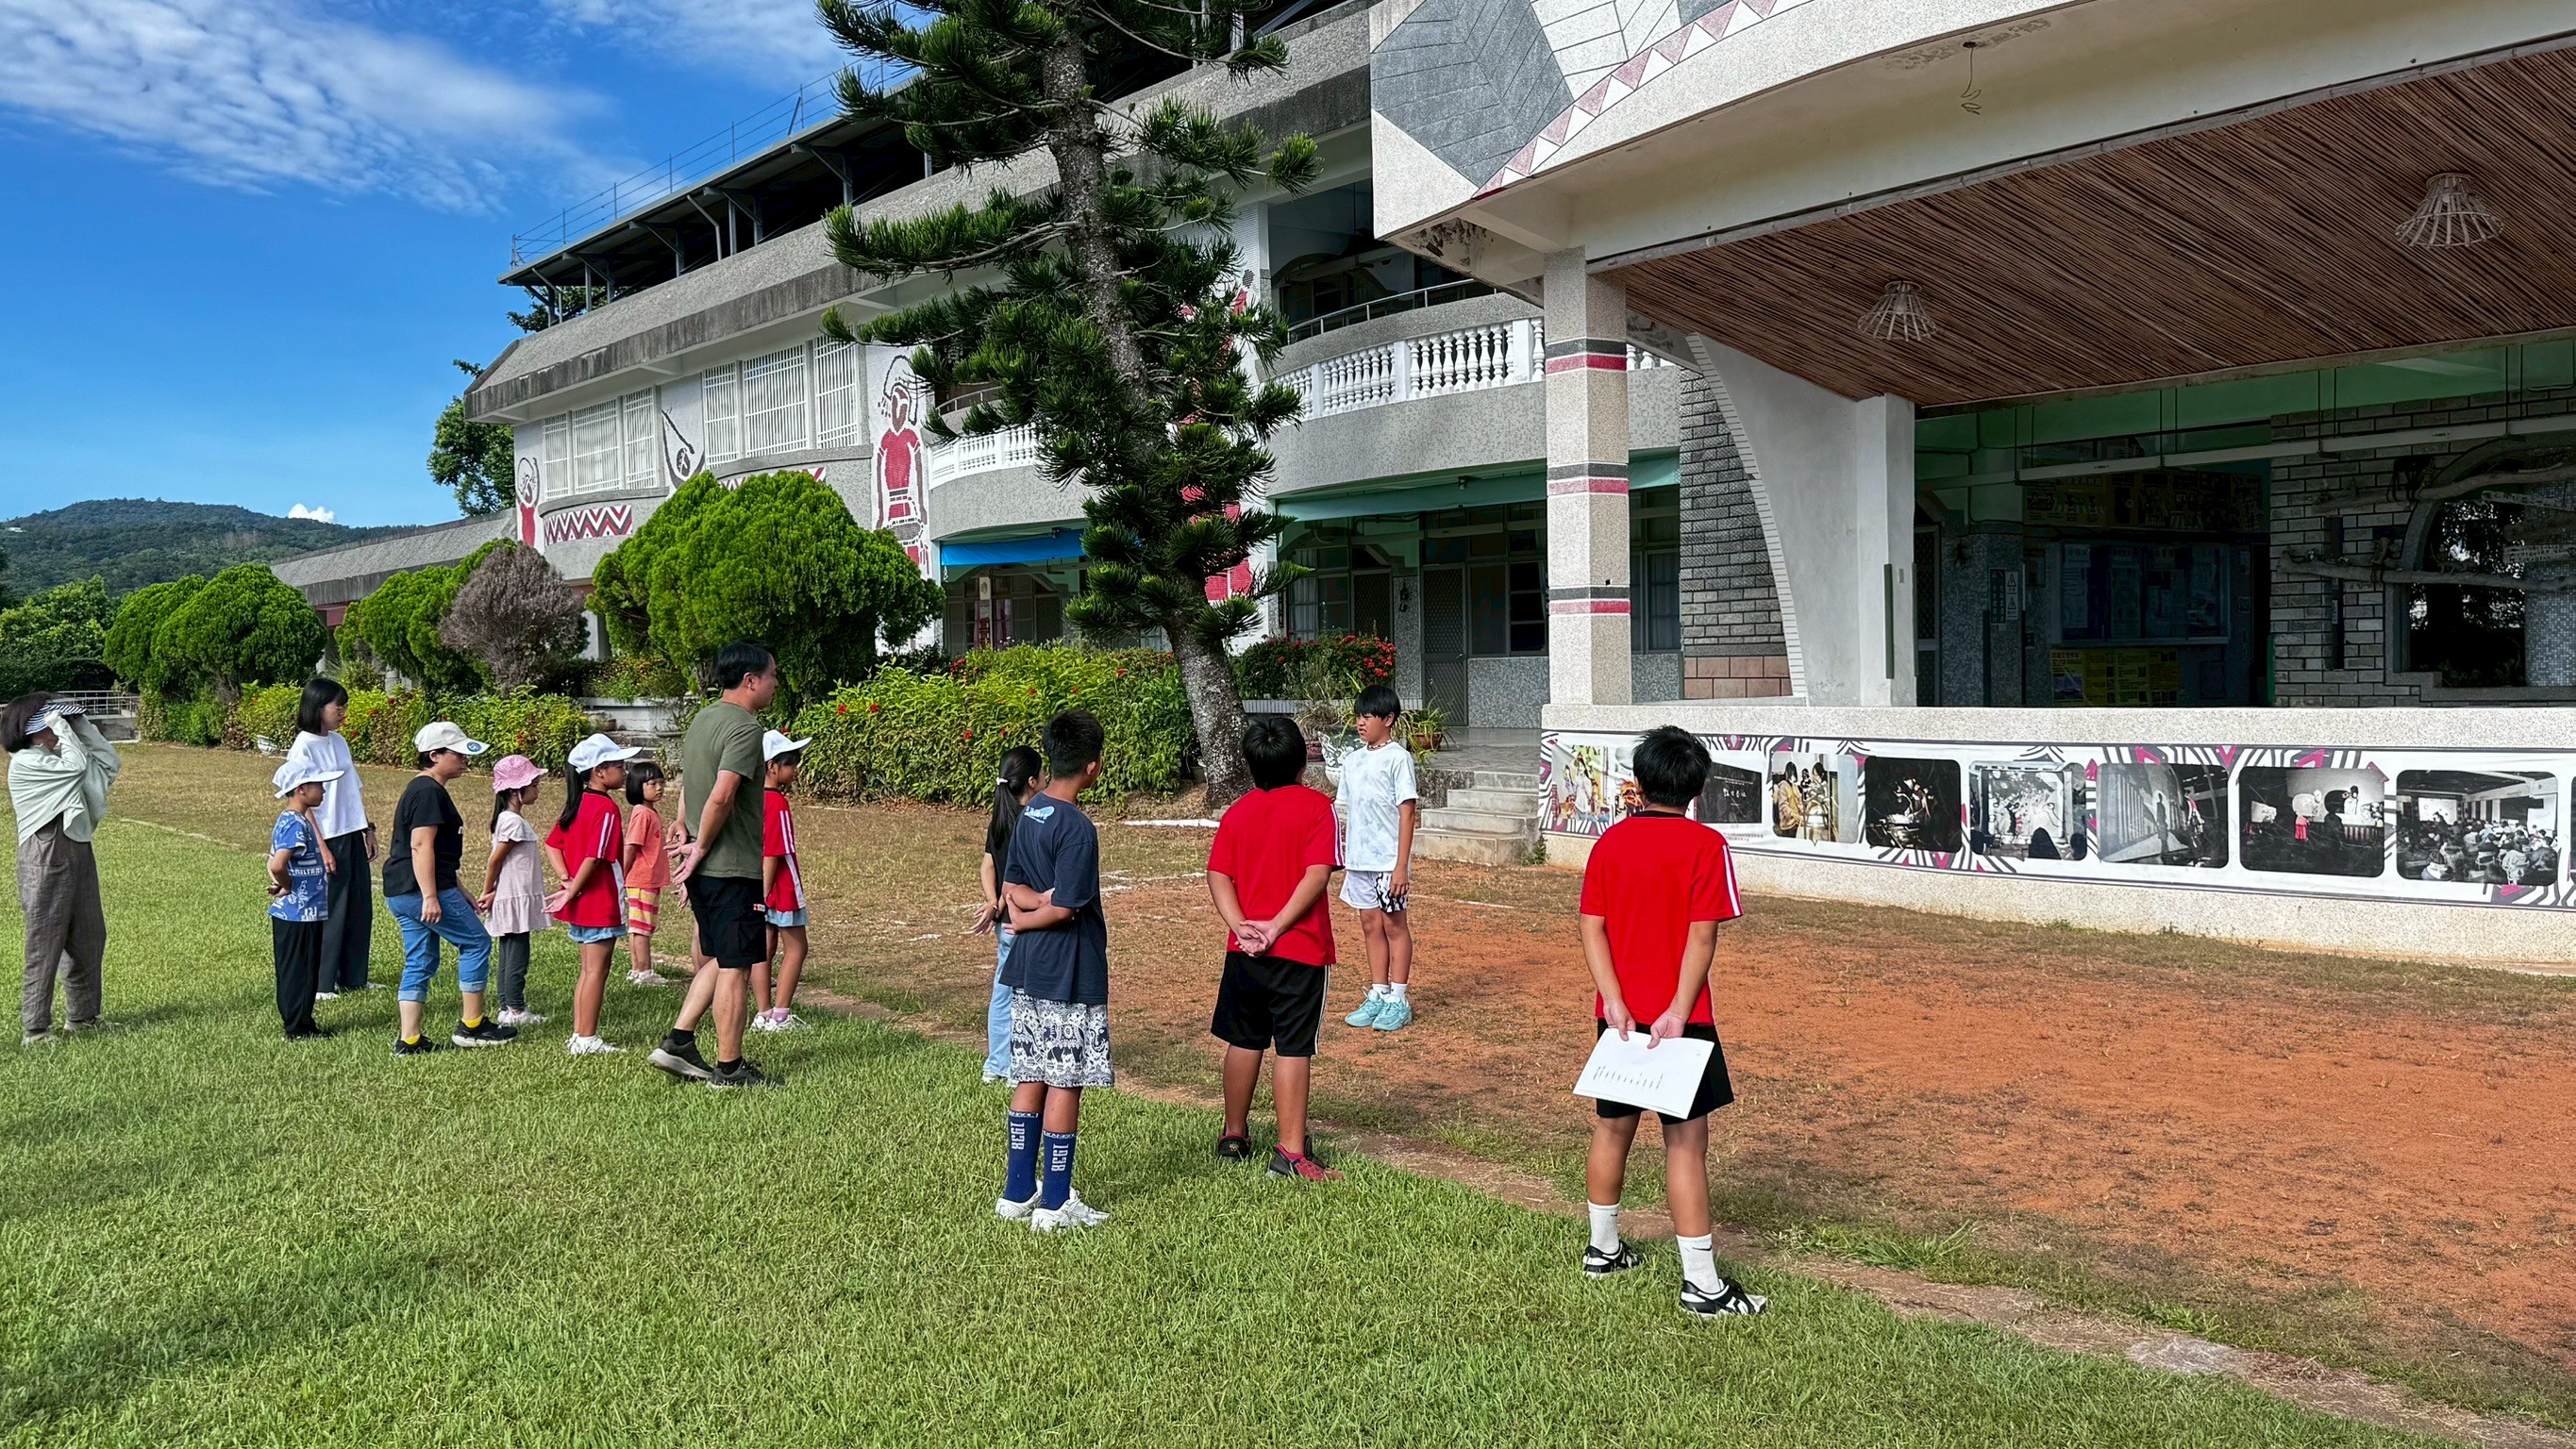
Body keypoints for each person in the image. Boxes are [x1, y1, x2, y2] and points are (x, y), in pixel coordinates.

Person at [1578, 725, 1766, 1318]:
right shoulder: (1707, 846)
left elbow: (1592, 926)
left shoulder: (1609, 843)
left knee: (1612, 1129)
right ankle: (1702, 1285)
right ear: (1699, 788)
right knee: (1685, 1145)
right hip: (1685, 1023)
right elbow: (1702, 936)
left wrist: (1613, 1001)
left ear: (1637, 783)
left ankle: (1603, 1250)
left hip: (1619, 1021)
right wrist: (1679, 1013)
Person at [1205, 714, 1343, 1181]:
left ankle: (1233, 1135)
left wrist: (1242, 927)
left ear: (1251, 765)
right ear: (1302, 762)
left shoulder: (1237, 812)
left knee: (1245, 1040)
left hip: (1244, 951)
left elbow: (1218, 874)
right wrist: (1276, 927)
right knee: (1293, 1047)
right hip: (1299, 949)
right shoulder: (1318, 808)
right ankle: (1290, 1154)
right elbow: (1317, 875)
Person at [996, 709, 1112, 1233]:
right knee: (1066, 1081)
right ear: (1092, 766)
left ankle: (1018, 1191)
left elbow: (1012, 888)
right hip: (1070, 971)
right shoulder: (1078, 829)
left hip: (1028, 971)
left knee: (1031, 1073)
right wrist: (1035, 915)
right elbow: (1067, 907)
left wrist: (1027, 910)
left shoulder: (1032, 813)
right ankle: (1056, 1202)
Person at [650, 641, 778, 1091]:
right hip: (730, 866)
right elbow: (722, 794)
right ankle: (729, 1068)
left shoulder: (702, 720)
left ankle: (680, 1041)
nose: (775, 684)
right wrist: (701, 845)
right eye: (772, 676)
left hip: (706, 870)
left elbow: (692, 783)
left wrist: (682, 823)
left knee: (723, 956)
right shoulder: (745, 728)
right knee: (736, 967)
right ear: (750, 680)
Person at [384, 721, 516, 1056]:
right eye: (457, 754)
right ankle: (472, 1025)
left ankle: (409, 1040)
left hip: (403, 890)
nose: (464, 760)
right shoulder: (428, 792)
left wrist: (461, 890)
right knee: (476, 942)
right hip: (421, 891)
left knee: (420, 960)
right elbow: (420, 845)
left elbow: (438, 855)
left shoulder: (423, 789)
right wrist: (431, 896)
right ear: (434, 755)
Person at [6, 692, 120, 1046]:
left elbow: (108, 762)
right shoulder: (26, 762)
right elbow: (75, 768)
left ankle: (83, 1018)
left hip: (78, 849)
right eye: (52, 725)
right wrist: (59, 723)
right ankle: (36, 1029)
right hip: (44, 854)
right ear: (32, 729)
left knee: (89, 936)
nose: (59, 730)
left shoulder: (58, 754)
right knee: (45, 942)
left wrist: (79, 724)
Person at [546, 733, 642, 1057]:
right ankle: (586, 1038)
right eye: (618, 765)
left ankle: (580, 1034)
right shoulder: (606, 808)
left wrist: (566, 880)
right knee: (597, 972)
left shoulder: (578, 804)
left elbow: (553, 845)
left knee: (588, 971)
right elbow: (596, 856)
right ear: (599, 772)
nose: (624, 771)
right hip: (600, 902)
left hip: (582, 903)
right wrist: (572, 888)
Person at [284, 679, 376, 999]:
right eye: (338, 706)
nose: (343, 712)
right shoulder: (303, 746)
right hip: (326, 836)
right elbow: (300, 801)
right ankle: (324, 982)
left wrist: (367, 828)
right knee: (331, 910)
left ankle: (354, 977)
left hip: (351, 831)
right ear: (318, 707)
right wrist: (321, 846)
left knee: (359, 907)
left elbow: (353, 789)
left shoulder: (339, 742)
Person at [1338, 685, 1420, 1033]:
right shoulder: (1352, 761)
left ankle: (1398, 998)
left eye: (1368, 716)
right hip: (1360, 861)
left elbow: (1407, 813)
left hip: (1388, 862)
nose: (1361, 722)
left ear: (1388, 719)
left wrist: (1400, 866)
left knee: (1393, 925)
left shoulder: (1398, 759)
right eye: (1358, 716)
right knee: (1370, 925)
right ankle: (1378, 992)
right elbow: (1345, 810)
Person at [973, 745, 1045, 1082]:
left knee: (1003, 994)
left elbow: (988, 866)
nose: (1045, 779)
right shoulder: (1033, 822)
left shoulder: (999, 819)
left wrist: (994, 903)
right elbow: (1022, 877)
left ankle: (996, 1066)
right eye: (1042, 774)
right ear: (1031, 782)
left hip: (1005, 926)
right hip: (1025, 922)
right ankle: (1020, 1069)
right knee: (1026, 997)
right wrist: (1005, 903)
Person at [267, 758, 340, 1041]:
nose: (323, 790)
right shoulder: (295, 823)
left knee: (304, 969)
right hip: (299, 912)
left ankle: (303, 1023)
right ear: (301, 789)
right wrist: (287, 885)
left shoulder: (293, 820)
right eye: (319, 785)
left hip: (304, 912)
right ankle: (297, 1028)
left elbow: (275, 862)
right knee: (299, 971)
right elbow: (277, 864)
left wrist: (282, 882)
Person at [479, 756, 551, 1029]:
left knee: (509, 953)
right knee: (517, 955)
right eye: (534, 785)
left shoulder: (509, 819)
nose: (538, 790)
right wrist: (488, 891)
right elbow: (495, 861)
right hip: (515, 896)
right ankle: (516, 1008)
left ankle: (507, 1006)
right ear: (515, 790)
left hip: (512, 894)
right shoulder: (513, 822)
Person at [753, 729, 813, 1033]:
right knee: (797, 948)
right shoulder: (777, 803)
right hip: (782, 889)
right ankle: (781, 1015)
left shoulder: (754, 800)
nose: (795, 769)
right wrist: (763, 896)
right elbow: (774, 852)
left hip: (760, 885)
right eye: (790, 763)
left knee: (763, 948)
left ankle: (763, 1012)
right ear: (772, 767)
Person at [622, 760, 676, 987]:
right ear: (638, 786)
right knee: (642, 927)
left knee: (639, 926)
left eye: (661, 782)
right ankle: (644, 971)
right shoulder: (643, 814)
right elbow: (631, 846)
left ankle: (637, 969)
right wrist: (622, 873)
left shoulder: (649, 812)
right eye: (652, 784)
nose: (659, 788)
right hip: (642, 878)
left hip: (646, 879)